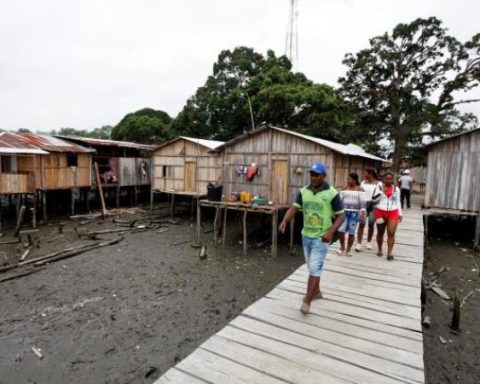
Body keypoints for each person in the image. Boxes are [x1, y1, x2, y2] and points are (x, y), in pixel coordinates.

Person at [279, 163, 344, 314]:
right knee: (312, 267)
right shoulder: (304, 191)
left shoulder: (332, 193)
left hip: (322, 237)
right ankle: (316, 292)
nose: (313, 177)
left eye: (317, 175)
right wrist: (284, 221)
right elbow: (294, 208)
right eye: (312, 174)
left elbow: (341, 215)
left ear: (324, 176)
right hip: (306, 235)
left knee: (314, 268)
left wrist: (331, 232)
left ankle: (306, 302)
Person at [372, 172, 402, 260]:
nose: (388, 180)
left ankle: (389, 253)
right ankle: (380, 249)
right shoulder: (379, 187)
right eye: (387, 178)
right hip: (380, 212)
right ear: (383, 179)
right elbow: (373, 199)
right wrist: (382, 192)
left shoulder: (396, 189)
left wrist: (400, 213)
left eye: (390, 179)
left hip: (393, 212)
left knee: (391, 232)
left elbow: (398, 202)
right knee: (380, 232)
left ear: (393, 179)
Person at [337, 173, 366, 256]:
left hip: (354, 214)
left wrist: (362, 213)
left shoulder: (360, 189)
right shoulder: (344, 188)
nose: (347, 181)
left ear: (354, 180)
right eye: (347, 179)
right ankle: (342, 247)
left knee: (351, 232)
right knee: (340, 231)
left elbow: (363, 203)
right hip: (344, 213)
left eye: (349, 179)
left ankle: (348, 250)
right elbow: (340, 201)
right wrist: (337, 212)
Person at [356, 169, 381, 252]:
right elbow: (360, 193)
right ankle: (359, 243)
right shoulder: (363, 182)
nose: (364, 175)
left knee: (371, 224)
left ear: (370, 174)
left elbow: (379, 195)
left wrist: (372, 200)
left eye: (366, 173)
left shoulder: (378, 183)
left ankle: (368, 242)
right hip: (363, 206)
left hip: (373, 206)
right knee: (361, 224)